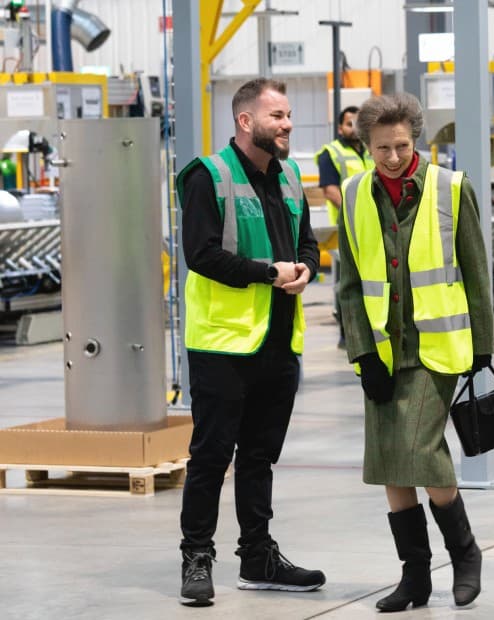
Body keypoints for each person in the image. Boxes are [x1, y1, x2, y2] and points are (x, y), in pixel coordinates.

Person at [337, 92, 494, 612]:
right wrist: (362, 355)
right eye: (382, 148)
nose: (393, 157)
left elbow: (475, 273)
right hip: (382, 351)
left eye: (402, 146)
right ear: (366, 146)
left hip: (438, 347)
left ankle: (465, 554)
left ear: (416, 141)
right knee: (389, 465)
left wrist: (484, 349)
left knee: (420, 452)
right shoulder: (356, 194)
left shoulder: (451, 189)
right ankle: (415, 578)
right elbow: (349, 285)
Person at [177, 78, 325, 606]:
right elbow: (201, 255)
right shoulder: (208, 177)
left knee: (260, 455)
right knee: (211, 456)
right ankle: (196, 558)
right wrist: (267, 272)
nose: (287, 124)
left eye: (287, 116)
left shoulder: (288, 177)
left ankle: (258, 557)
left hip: (279, 341)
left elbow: (307, 243)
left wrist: (307, 267)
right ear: (246, 122)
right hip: (222, 344)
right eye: (277, 116)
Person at [315, 105, 375, 348]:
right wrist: (356, 213)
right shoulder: (330, 153)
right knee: (346, 281)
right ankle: (346, 331)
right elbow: (330, 191)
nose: (355, 128)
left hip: (373, 226)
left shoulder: (372, 150)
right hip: (345, 228)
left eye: (359, 123)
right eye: (350, 123)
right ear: (340, 127)